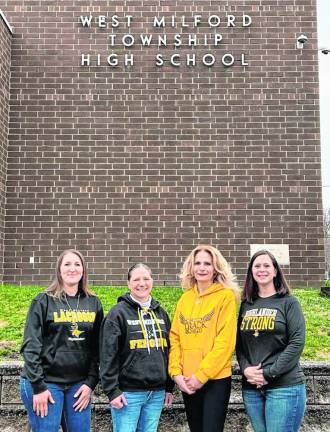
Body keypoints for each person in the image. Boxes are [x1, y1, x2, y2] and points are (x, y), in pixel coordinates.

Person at [20, 249, 104, 432]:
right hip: (46, 383)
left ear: (84, 270)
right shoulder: (43, 301)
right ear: (59, 270)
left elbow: (97, 349)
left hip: (78, 384)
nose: (72, 269)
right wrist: (39, 387)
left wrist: (90, 383)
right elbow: (30, 346)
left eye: (77, 264)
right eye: (67, 264)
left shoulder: (94, 302)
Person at [169, 244, 240, 432]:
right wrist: (176, 374)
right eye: (197, 263)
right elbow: (175, 338)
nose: (202, 268)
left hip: (215, 379)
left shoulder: (225, 297)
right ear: (191, 267)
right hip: (188, 380)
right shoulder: (185, 299)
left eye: (207, 263)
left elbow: (225, 343)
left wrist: (201, 376)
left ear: (215, 268)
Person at [236, 250, 306, 432]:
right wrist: (245, 370)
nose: (262, 269)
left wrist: (268, 373)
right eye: (257, 266)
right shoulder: (246, 305)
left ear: (275, 271)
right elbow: (239, 345)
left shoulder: (289, 302)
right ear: (251, 271)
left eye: (267, 265)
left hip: (284, 387)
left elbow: (297, 342)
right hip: (252, 388)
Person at [100, 263, 174, 432]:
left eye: (146, 278)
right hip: (128, 395)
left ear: (152, 281)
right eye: (136, 279)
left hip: (156, 394)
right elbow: (107, 355)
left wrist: (169, 387)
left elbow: (169, 352)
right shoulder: (117, 314)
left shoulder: (161, 313)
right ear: (128, 283)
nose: (142, 283)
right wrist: (112, 391)